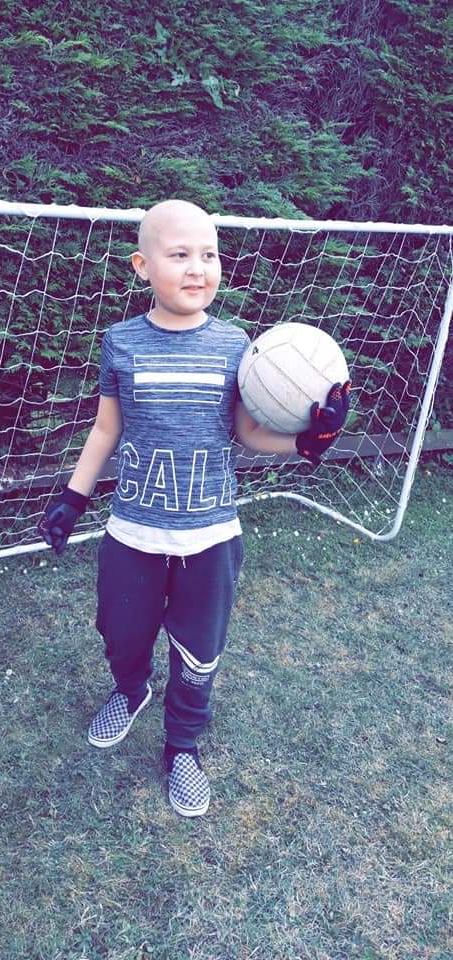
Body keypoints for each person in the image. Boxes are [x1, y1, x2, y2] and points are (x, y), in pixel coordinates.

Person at [38, 199, 350, 818]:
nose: (196, 268)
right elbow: (105, 430)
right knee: (121, 634)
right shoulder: (121, 342)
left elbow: (249, 434)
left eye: (207, 254)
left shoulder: (239, 347)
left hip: (210, 535)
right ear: (141, 266)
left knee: (199, 648)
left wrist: (306, 443)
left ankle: (183, 746)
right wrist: (73, 499)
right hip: (133, 530)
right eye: (179, 254)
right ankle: (131, 691)